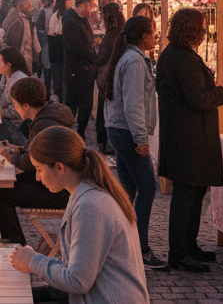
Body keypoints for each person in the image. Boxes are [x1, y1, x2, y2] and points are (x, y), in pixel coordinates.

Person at [10, 126, 149, 304]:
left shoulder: (90, 205)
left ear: (59, 167)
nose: (37, 177)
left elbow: (77, 281)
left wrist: (33, 262)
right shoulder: (86, 192)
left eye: (39, 169)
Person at [157, 7, 223, 272]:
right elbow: (198, 98)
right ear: (193, 29)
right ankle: (179, 254)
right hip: (189, 139)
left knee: (194, 193)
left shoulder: (173, 55)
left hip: (185, 137)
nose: (205, 31)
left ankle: (188, 246)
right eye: (202, 26)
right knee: (186, 196)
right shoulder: (183, 59)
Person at [102, 15, 165, 270]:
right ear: (143, 37)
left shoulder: (130, 58)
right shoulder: (134, 61)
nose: (155, 37)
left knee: (128, 191)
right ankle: (140, 248)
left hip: (118, 129)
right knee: (147, 188)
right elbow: (133, 103)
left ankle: (120, 244)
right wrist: (141, 139)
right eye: (153, 33)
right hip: (126, 131)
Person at [0, 77, 72, 245]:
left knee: (0, 193)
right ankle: (14, 242)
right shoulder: (48, 116)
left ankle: (15, 244)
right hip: (57, 182)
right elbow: (37, 151)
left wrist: (11, 157)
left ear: (25, 105)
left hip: (59, 191)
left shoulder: (44, 124)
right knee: (4, 185)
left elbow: (30, 162)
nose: (15, 108)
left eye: (15, 104)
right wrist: (18, 148)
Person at [62, 0, 97, 138]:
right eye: (90, 5)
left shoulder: (83, 19)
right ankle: (67, 133)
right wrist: (94, 56)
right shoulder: (71, 21)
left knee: (86, 104)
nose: (92, 8)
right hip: (76, 70)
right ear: (81, 5)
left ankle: (80, 132)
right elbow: (75, 46)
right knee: (73, 103)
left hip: (87, 70)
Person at [0, 46, 32, 152]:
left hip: (16, 128)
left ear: (8, 64)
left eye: (0, 61)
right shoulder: (8, 77)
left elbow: (17, 110)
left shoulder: (18, 80)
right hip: (7, 123)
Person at [94, 2, 125, 155]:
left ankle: (104, 142)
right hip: (113, 78)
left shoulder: (112, 34)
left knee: (105, 111)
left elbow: (102, 58)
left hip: (108, 79)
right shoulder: (120, 32)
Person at [2, 0, 37, 75]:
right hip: (20, 61)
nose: (30, 5)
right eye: (27, 2)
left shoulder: (20, 18)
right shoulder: (18, 21)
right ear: (19, 4)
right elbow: (14, 45)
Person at [46, 0, 70, 103]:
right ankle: (59, 95)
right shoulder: (55, 17)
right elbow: (53, 34)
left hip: (59, 48)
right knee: (58, 74)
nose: (70, 5)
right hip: (58, 48)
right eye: (68, 3)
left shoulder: (66, 15)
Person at [33, 0, 53, 91]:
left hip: (43, 37)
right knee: (45, 60)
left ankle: (44, 83)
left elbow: (38, 25)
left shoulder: (43, 11)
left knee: (44, 60)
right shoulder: (47, 10)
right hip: (45, 38)